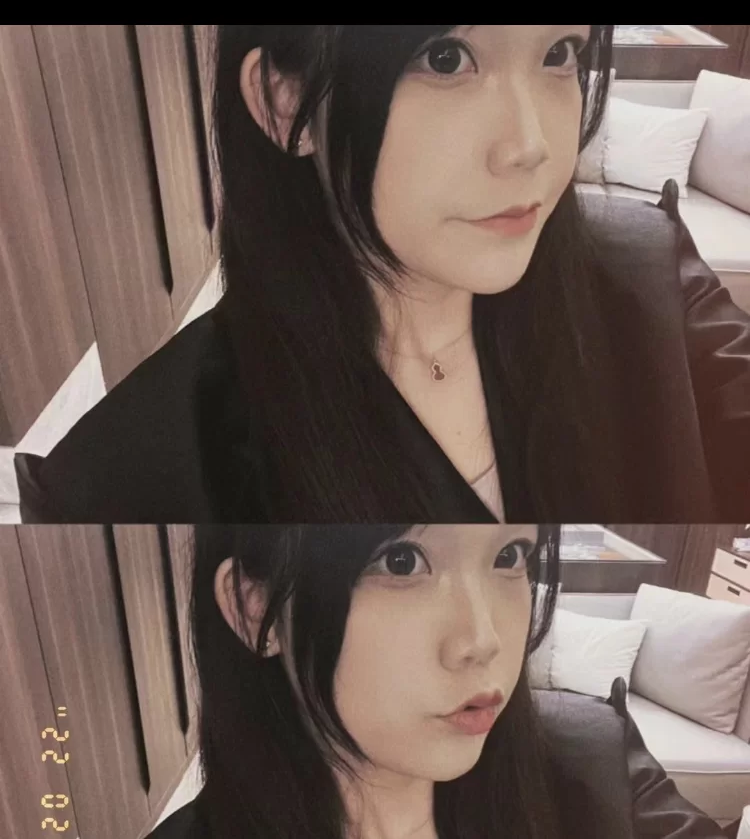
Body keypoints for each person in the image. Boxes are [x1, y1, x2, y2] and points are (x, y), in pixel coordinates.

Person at [13, 524, 750, 839]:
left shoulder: (597, 764)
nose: (484, 640)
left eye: (510, 555)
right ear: (254, 605)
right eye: (401, 561)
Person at [14, 26, 750, 525]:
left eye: (560, 52)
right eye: (446, 58)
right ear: (285, 101)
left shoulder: (653, 280)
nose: (531, 146)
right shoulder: (134, 472)